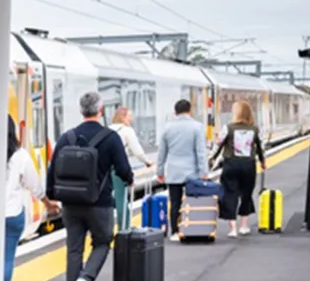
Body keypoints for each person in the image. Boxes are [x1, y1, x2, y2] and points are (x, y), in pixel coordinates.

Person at [45, 92, 134, 281]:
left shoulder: (67, 137)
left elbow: (52, 169)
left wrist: (51, 195)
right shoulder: (110, 137)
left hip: (71, 203)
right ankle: (86, 278)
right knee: (103, 242)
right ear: (100, 110)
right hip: (100, 202)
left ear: (81, 111)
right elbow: (124, 170)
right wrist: (129, 179)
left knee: (74, 249)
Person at [2, 117, 44, 281]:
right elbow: (34, 185)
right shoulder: (20, 156)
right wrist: (48, 203)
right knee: (6, 257)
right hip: (12, 213)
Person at [211, 101, 267, 238]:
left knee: (230, 194)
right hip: (248, 165)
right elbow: (260, 147)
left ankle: (233, 228)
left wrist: (211, 159)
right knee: (246, 195)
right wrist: (262, 162)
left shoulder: (228, 128)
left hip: (231, 164)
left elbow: (218, 146)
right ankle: (244, 226)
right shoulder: (255, 129)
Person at [156, 99, 209, 238]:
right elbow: (201, 152)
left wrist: (160, 172)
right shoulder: (197, 127)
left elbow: (162, 153)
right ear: (189, 110)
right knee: (194, 201)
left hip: (173, 172)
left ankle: (174, 231)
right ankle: (193, 229)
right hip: (192, 172)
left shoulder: (167, 128)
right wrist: (204, 172)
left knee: (175, 202)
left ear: (175, 112)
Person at [107, 106, 153, 230]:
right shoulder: (127, 130)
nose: (131, 120)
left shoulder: (107, 129)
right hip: (118, 170)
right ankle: (124, 229)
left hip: (104, 170)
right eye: (129, 117)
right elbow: (137, 152)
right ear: (122, 117)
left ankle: (107, 229)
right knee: (121, 200)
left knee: (106, 201)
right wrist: (147, 162)